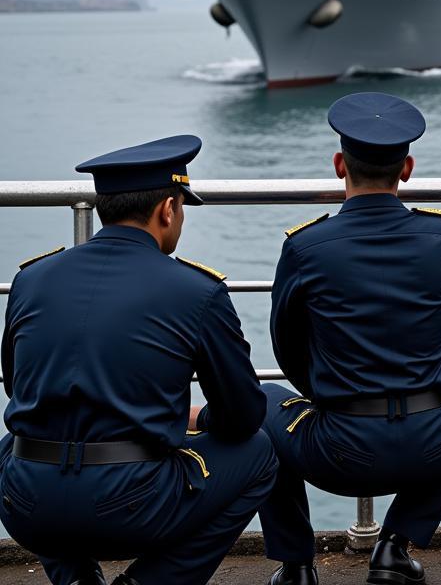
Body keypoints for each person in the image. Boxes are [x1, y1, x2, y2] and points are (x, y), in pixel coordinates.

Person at [0, 135, 276, 585]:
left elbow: (17, 387)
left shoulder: (30, 279)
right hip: (129, 507)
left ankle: (75, 579)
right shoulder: (196, 291)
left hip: (27, 506)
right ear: (167, 209)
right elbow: (244, 417)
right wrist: (198, 419)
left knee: (17, 443)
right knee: (260, 454)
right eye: (182, 208)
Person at [257, 92, 441, 585]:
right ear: (407, 168)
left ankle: (297, 565)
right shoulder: (440, 236)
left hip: (339, 452)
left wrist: (323, 394)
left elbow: (285, 343)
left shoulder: (305, 246)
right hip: (432, 443)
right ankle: (395, 545)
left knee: (260, 402)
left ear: (338, 165)